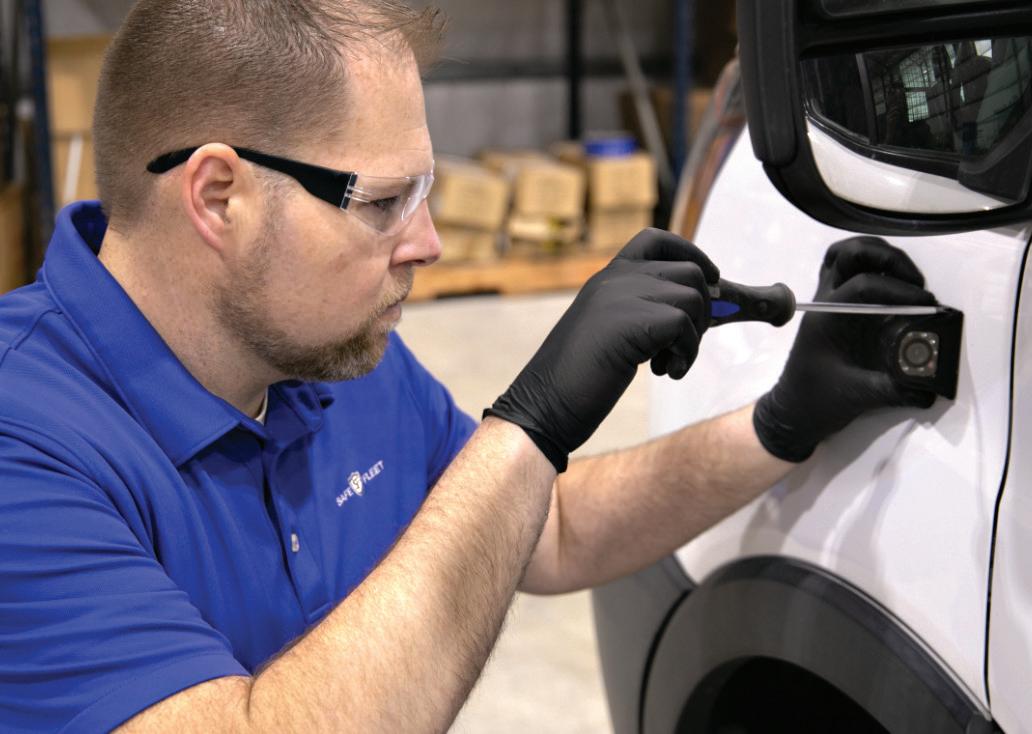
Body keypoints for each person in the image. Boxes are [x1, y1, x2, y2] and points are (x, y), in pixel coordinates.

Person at [0, 1, 938, 731]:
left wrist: (779, 423)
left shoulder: (326, 355)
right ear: (218, 196)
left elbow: (546, 527)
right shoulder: (26, 442)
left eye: (426, 194)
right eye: (384, 202)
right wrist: (527, 426)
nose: (429, 243)